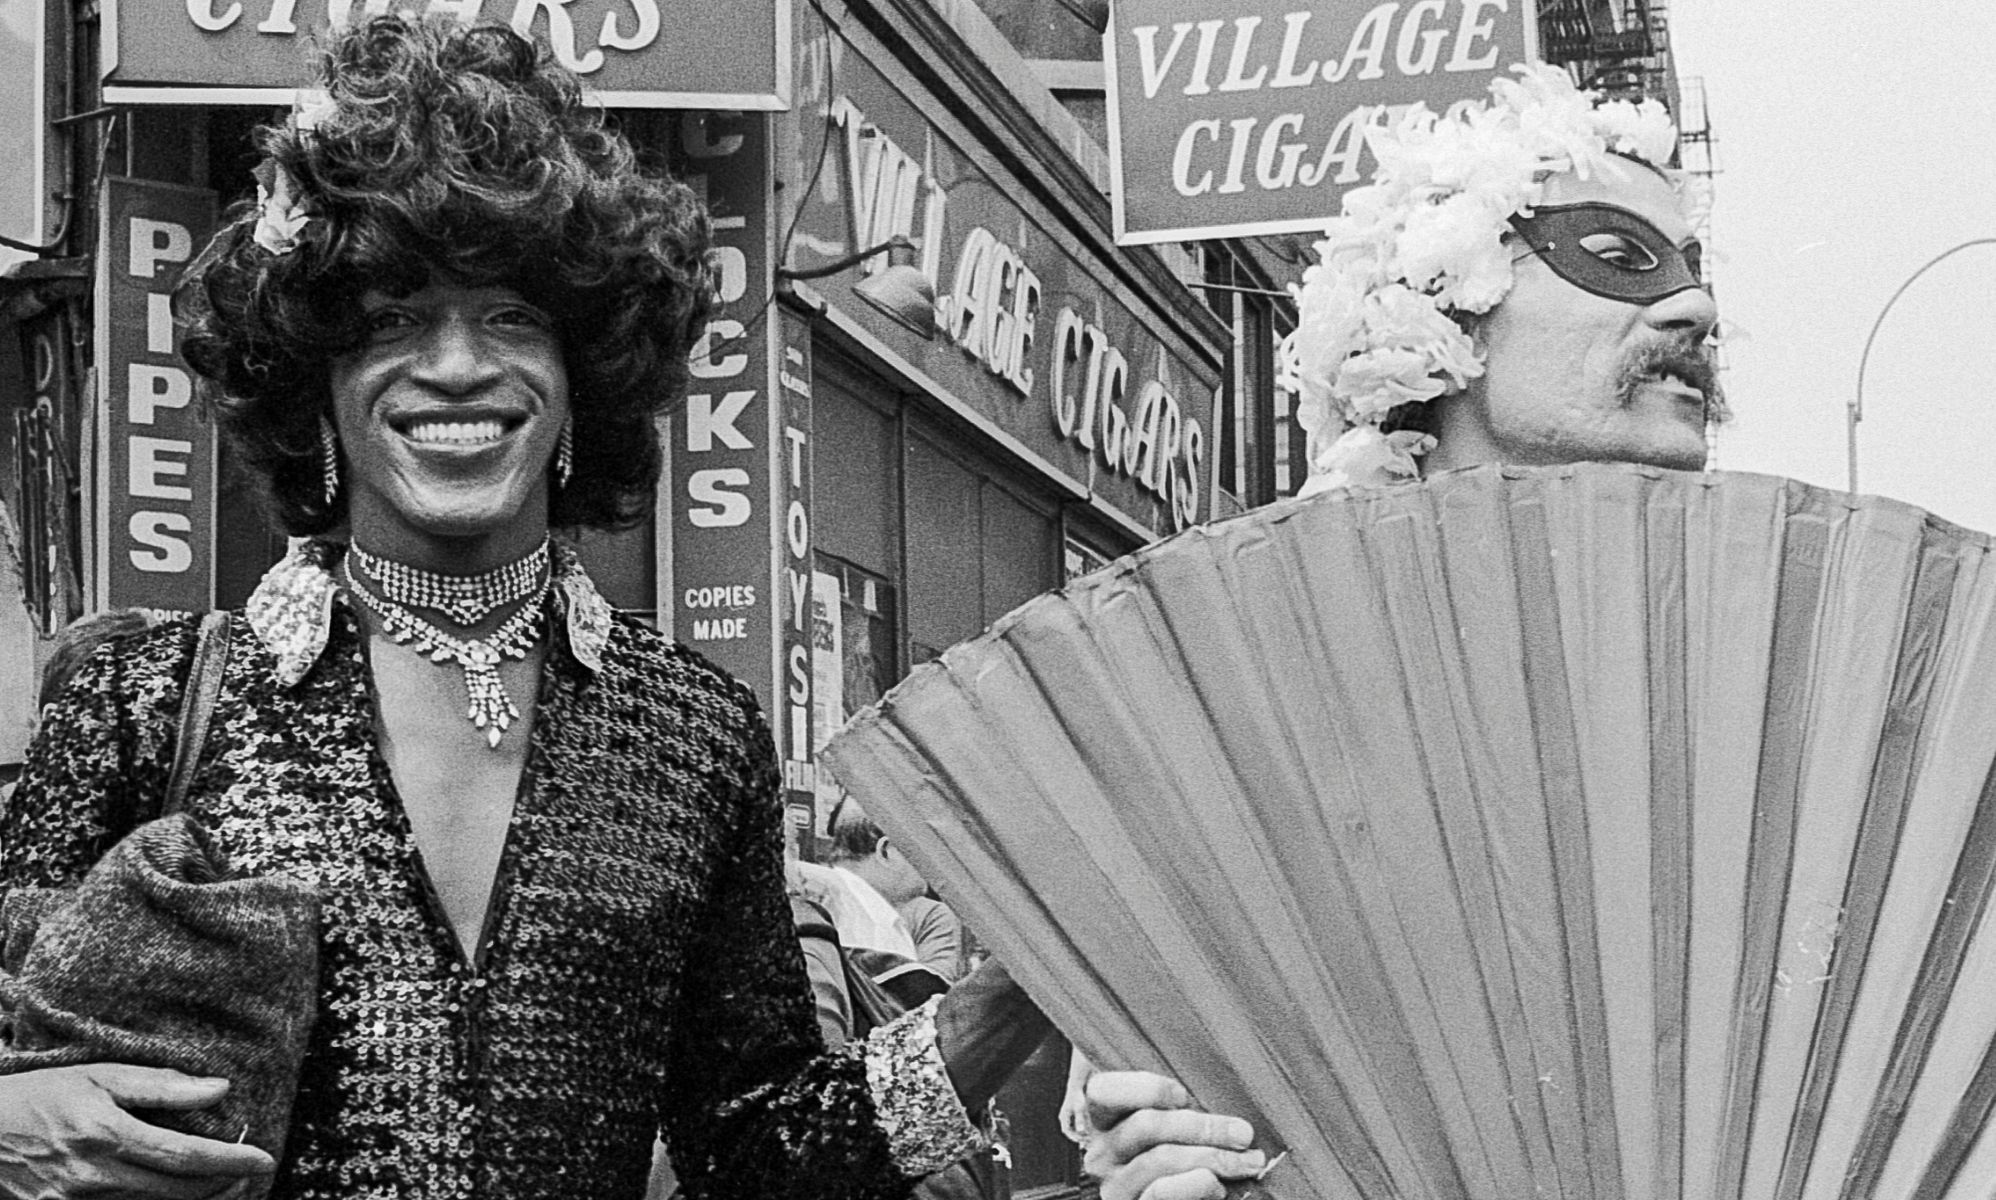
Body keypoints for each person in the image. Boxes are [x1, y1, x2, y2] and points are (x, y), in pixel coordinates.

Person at [0, 17, 1040, 1200]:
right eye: (390, 319)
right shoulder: (144, 700)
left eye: (509, 317)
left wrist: (1008, 1001)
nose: (455, 367)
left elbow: (758, 1149)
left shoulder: (693, 737)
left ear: (582, 372)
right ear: (315, 382)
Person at [1081, 64, 1724, 1200]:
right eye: (1620, 259)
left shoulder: (1786, 678)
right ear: (1437, 310)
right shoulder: (1240, 710)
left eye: (1693, 271)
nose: (1692, 310)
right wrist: (1152, 1173)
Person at [824, 795, 965, 983]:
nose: (937, 866)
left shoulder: (876, 911)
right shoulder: (837, 906)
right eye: (929, 851)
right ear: (887, 851)